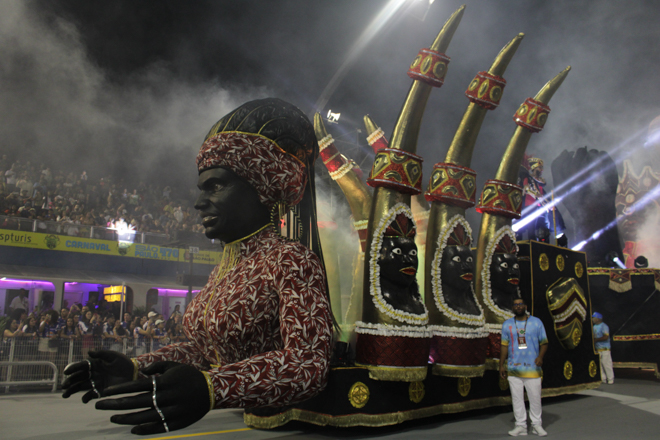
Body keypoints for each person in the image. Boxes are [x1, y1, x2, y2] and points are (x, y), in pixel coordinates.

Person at [62, 98, 333, 435]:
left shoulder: (291, 260)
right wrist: (135, 368)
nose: (198, 202)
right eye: (201, 187)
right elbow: (206, 351)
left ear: (262, 189)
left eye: (216, 186)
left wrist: (212, 388)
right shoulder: (225, 268)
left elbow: (308, 364)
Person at [500, 298, 549, 437]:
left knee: (535, 397)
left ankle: (536, 425)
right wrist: (501, 365)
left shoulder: (536, 322)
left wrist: (540, 357)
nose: (518, 306)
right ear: (512, 308)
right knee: (517, 398)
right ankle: (520, 426)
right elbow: (504, 345)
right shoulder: (507, 324)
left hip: (532, 367)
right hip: (513, 367)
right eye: (515, 304)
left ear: (525, 306)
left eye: (520, 304)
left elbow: (544, 342)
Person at [592, 312, 614, 384]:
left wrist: (596, 339)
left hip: (605, 349)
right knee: (599, 365)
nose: (592, 319)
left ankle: (610, 378)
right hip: (598, 349)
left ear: (598, 319)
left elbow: (606, 336)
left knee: (606, 364)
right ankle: (603, 378)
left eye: (593, 318)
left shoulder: (604, 326)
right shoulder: (594, 327)